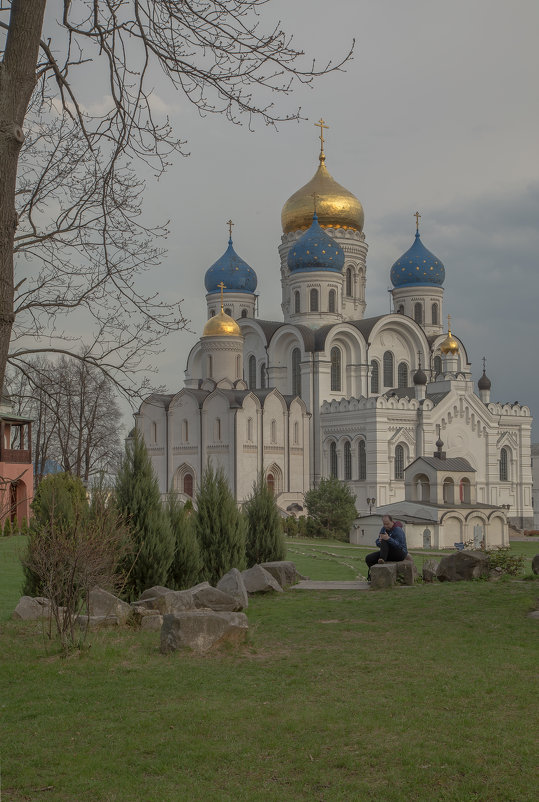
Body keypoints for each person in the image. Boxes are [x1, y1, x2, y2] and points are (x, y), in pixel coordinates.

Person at [365, 515, 408, 580]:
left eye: (387, 524)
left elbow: (399, 546)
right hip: (387, 552)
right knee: (369, 558)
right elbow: (378, 542)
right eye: (384, 524)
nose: (385, 526)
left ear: (392, 521)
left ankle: (382, 559)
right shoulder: (383, 529)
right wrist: (379, 541)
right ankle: (374, 575)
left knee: (385, 539)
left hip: (400, 553)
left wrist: (388, 539)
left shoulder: (398, 530)